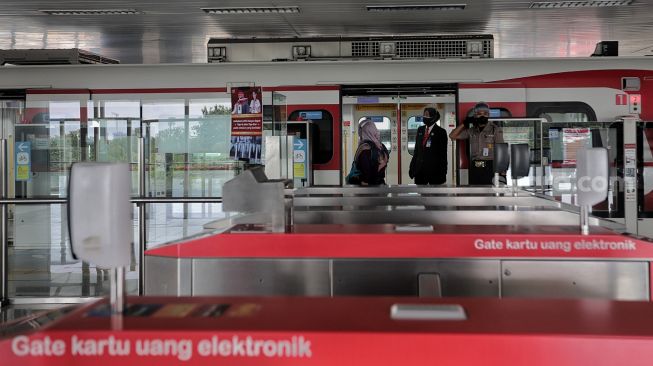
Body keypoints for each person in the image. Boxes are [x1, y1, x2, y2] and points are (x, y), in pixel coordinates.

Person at [449, 102, 504, 185]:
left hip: (490, 167)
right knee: (474, 193)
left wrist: (502, 171)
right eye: (479, 114)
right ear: (475, 116)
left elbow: (501, 151)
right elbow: (452, 135)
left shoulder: (495, 130)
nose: (482, 116)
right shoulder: (471, 131)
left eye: (485, 113)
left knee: (489, 194)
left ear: (488, 115)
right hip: (474, 167)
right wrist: (464, 123)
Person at [409, 107, 448, 185]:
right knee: (421, 195)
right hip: (419, 171)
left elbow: (443, 154)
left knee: (434, 196)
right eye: (424, 115)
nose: (424, 117)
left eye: (426, 115)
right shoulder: (420, 130)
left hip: (434, 172)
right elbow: (416, 151)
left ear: (433, 117)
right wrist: (412, 168)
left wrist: (443, 172)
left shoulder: (441, 132)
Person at [349, 118, 389, 186]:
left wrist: (363, 181)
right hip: (380, 184)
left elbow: (366, 172)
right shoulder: (382, 147)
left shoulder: (364, 150)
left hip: (368, 187)